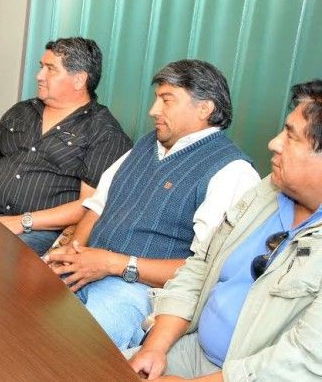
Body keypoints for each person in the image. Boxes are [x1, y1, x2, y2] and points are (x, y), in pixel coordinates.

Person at [44, 59, 259, 348]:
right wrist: (73, 252)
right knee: (22, 310)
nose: (153, 110)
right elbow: (97, 207)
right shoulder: (147, 144)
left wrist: (114, 264)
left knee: (72, 347)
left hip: (138, 290)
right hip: (86, 267)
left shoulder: (232, 171)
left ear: (204, 109)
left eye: (166, 100)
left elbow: (207, 270)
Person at [126, 80, 322, 381]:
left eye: (291, 136)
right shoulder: (267, 191)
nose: (274, 143)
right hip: (191, 349)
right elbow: (201, 266)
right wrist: (155, 347)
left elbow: (303, 362)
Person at [0, 37, 131, 254]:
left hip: (40, 231)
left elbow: (89, 205)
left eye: (50, 69)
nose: (39, 75)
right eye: (41, 67)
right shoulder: (21, 111)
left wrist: (23, 221)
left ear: (79, 79)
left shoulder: (103, 131)